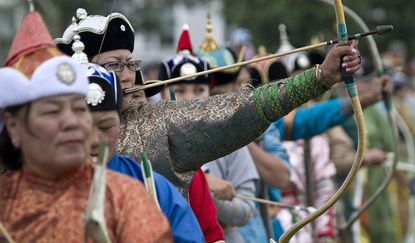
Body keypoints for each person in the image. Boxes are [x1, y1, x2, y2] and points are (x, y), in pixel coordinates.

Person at [55, 8, 362, 194]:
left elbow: (243, 109)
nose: (125, 74)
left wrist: (320, 76)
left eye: (130, 64)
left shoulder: (158, 121)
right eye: (112, 66)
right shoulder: (50, 135)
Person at [0, 11, 171, 242]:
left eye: (80, 109)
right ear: (13, 127)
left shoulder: (126, 198)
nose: (72, 122)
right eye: (53, 111)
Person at [83, 61, 205, 243]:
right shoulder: (35, 189)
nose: (95, 140)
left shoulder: (151, 186)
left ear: (121, 123)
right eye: (82, 127)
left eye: (106, 126)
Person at [159, 25, 256, 243]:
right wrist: (199, 180)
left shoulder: (228, 138)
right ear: (162, 94)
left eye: (199, 90)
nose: (190, 99)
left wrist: (211, 197)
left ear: (209, 93)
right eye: (179, 90)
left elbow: (247, 210)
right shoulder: (149, 140)